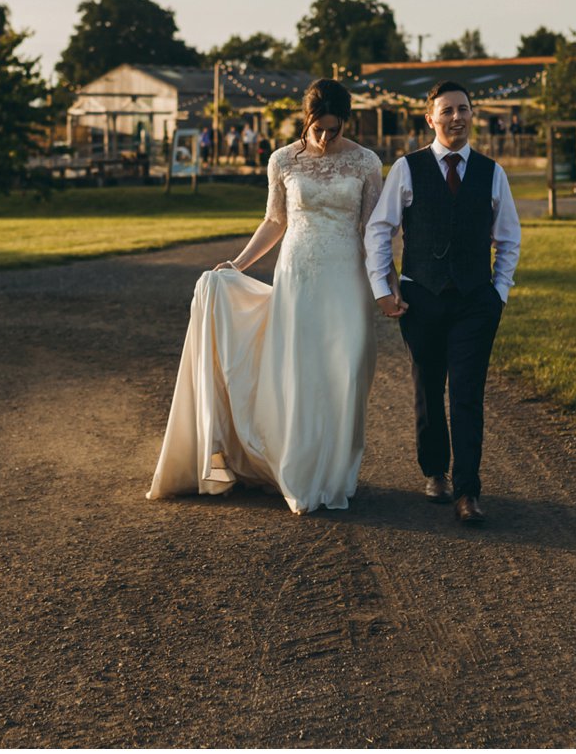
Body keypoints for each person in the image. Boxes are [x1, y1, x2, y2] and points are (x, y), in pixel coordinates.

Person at [148, 80, 385, 514]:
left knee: (347, 368)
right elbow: (275, 221)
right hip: (298, 274)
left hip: (346, 276)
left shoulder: (367, 162)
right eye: (318, 128)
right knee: (300, 371)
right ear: (306, 118)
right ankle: (301, 467)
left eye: (333, 130)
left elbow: (375, 230)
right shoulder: (282, 160)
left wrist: (383, 283)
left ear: (345, 122)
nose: (324, 138)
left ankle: (336, 472)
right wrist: (238, 264)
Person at [364, 81, 521, 525]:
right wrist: (382, 286)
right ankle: (435, 470)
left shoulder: (493, 172)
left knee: (468, 393)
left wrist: (499, 292)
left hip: (476, 301)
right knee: (429, 387)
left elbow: (508, 237)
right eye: (447, 110)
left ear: (473, 115)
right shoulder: (408, 168)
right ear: (430, 118)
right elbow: (380, 229)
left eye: (464, 109)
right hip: (423, 298)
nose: (457, 117)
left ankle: (468, 491)